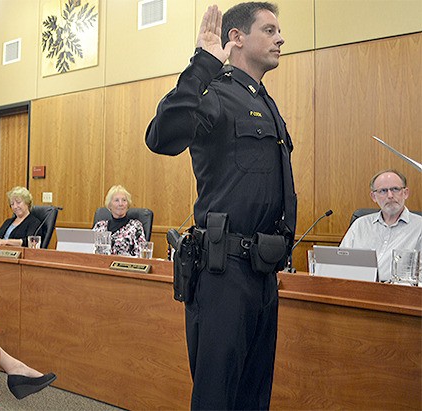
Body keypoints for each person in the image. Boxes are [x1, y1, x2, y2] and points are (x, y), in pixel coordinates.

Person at [145, 3, 297, 409]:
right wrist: (202, 65)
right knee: (217, 398)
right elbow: (162, 136)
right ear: (237, 38)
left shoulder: (266, 102)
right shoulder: (216, 93)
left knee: (253, 396)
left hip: (263, 271)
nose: (280, 37)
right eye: (269, 29)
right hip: (224, 271)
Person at [340, 169, 422, 282]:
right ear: (373, 196)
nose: (390, 195)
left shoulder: (419, 226)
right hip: (358, 289)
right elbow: (341, 263)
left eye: (395, 189)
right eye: (383, 191)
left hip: (400, 293)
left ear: (405, 193)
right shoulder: (360, 225)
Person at [92, 185, 146, 256]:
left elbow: (141, 254)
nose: (121, 204)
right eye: (117, 200)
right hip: (100, 264)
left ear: (127, 204)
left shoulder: (135, 226)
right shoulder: (100, 226)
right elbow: (89, 249)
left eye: (124, 200)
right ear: (109, 205)